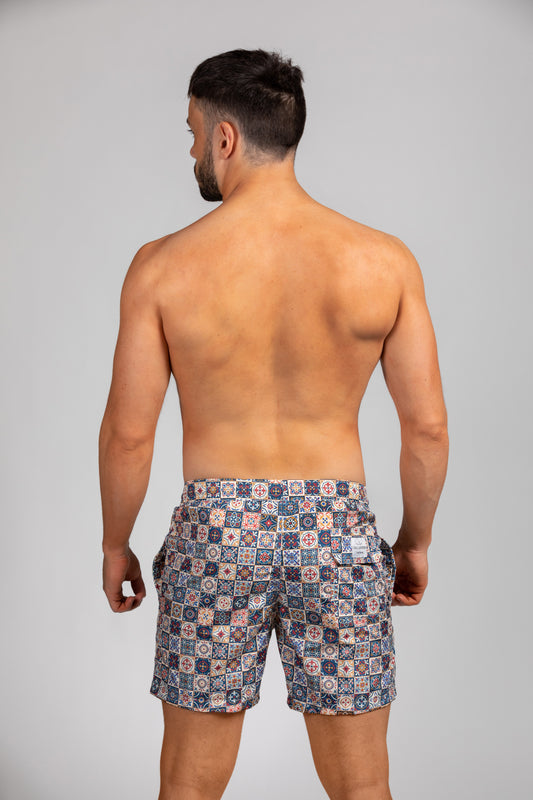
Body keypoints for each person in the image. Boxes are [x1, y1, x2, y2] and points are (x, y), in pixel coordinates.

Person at [99, 47, 448, 800]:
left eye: (193, 131)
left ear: (225, 137)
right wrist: (413, 541)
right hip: (336, 531)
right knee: (362, 786)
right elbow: (426, 430)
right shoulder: (383, 262)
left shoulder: (162, 267)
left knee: (189, 787)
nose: (191, 149)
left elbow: (129, 433)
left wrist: (114, 542)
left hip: (216, 530)